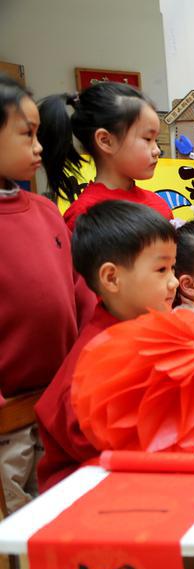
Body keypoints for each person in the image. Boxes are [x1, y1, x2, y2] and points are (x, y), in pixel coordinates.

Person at [0, 75, 95, 511]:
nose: (39, 148)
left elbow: (77, 290)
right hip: (7, 417)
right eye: (26, 134)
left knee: (55, 513)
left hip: (55, 401)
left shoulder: (43, 211)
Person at [35, 201, 178, 489]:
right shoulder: (90, 367)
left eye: (173, 268)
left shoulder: (146, 327)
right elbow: (104, 453)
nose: (174, 282)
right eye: (161, 269)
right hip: (87, 497)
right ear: (112, 278)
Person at [38, 82, 171, 229]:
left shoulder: (158, 205)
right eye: (147, 139)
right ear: (105, 141)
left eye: (156, 140)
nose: (157, 150)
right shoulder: (85, 216)